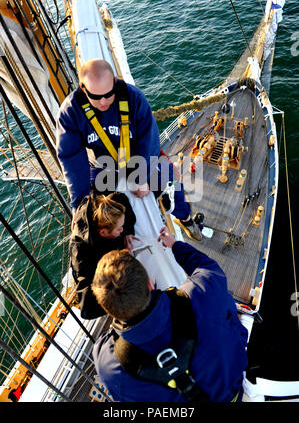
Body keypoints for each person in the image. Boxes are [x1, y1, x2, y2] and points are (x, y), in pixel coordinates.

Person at [91, 227, 248, 402]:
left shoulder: (108, 363)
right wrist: (175, 245)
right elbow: (206, 267)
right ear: (150, 283)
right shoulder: (203, 291)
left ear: (107, 309)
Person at [56, 58, 202, 241]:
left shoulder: (135, 99)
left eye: (108, 94)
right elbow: (71, 159)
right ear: (83, 89)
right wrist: (79, 205)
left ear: (115, 82)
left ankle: (186, 219)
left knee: (172, 181)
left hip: (138, 158)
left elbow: (149, 141)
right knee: (96, 214)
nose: (103, 102)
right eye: (95, 96)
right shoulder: (70, 113)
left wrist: (141, 176)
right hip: (101, 166)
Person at [70, 191, 138, 319]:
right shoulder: (82, 257)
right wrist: (120, 288)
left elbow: (121, 198)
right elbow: (87, 309)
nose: (122, 230)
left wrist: (128, 232)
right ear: (104, 232)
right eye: (119, 229)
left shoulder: (107, 206)